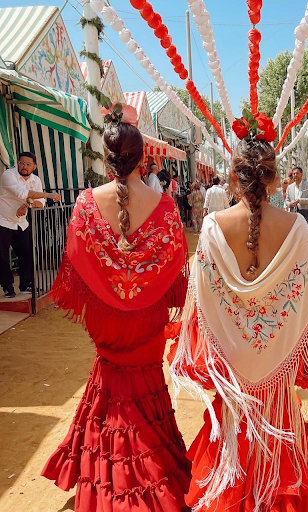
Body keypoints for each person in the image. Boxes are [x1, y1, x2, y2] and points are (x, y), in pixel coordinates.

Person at [169, 117, 308, 512]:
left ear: (234, 178)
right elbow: (304, 298)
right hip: (278, 361)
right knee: (280, 424)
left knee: (234, 428)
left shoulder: (214, 226)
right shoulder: (296, 226)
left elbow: (201, 297)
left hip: (230, 360)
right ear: (275, 178)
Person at [41, 105, 191, 512]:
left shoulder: (86, 202)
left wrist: (112, 289)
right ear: (144, 158)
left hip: (106, 321)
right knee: (146, 382)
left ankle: (109, 467)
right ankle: (156, 462)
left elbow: (75, 256)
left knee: (108, 380)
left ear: (107, 160)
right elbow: (176, 265)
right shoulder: (165, 208)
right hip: (149, 322)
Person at [0, 152, 61, 298]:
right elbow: (22, 193)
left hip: (21, 223)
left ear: (34, 166)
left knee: (27, 254)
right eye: (21, 163)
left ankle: (25, 285)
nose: (24, 167)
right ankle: (7, 287)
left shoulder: (36, 180)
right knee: (2, 257)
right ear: (17, 163)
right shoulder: (8, 175)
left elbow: (40, 204)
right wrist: (48, 194)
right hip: (2, 221)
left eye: (28, 164)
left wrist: (27, 205)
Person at [285, 166, 308, 232]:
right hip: (293, 214)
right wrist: (290, 204)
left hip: (306, 214)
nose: (295, 175)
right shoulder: (289, 187)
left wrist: (300, 200)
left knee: (305, 233)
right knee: (295, 233)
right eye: (294, 174)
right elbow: (286, 201)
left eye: (297, 173)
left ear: (302, 174)